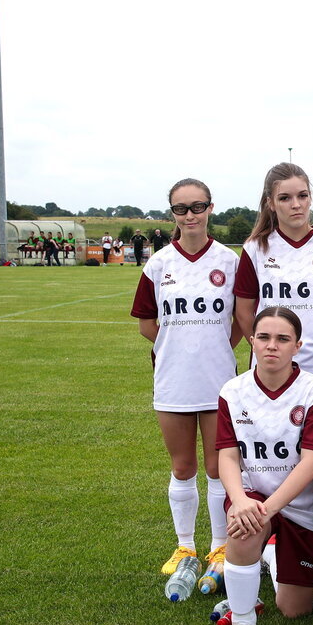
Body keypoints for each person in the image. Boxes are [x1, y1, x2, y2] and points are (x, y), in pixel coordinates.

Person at [130, 178, 241, 583]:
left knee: (218, 468)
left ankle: (219, 545)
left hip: (218, 383)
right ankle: (185, 546)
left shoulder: (230, 261)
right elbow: (147, 323)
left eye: (198, 207)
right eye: (182, 209)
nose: (190, 215)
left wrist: (215, 347)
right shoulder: (158, 264)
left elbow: (241, 323)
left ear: (211, 208)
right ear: (172, 213)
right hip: (173, 381)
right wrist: (177, 347)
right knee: (182, 466)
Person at [215, 306, 313, 625]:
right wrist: (240, 502)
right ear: (251, 341)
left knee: (294, 610)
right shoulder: (233, 391)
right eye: (264, 337)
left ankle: (269, 555)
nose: (272, 346)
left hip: (300, 504)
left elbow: (311, 463)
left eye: (283, 339)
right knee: (243, 528)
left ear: (297, 345)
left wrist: (266, 510)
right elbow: (228, 457)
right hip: (252, 494)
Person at [234, 162, 313, 385]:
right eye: (285, 198)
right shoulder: (255, 248)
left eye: (302, 196)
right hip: (270, 367)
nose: (296, 205)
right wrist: (269, 348)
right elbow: (243, 311)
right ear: (271, 203)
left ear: (310, 198)